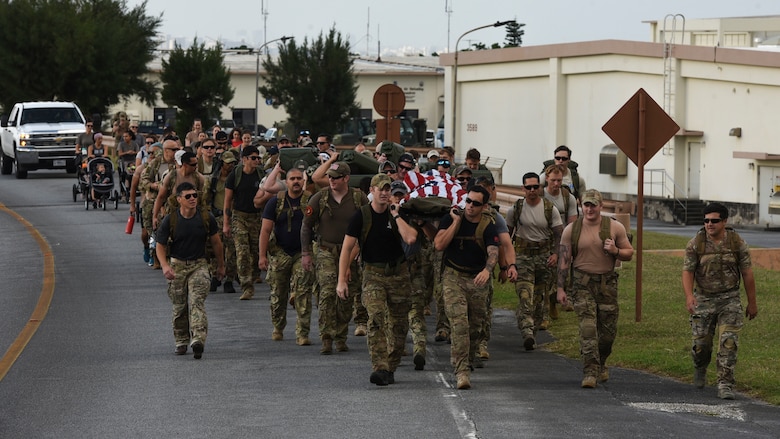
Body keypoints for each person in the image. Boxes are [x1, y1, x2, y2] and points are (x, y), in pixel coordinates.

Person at [337, 173, 417, 385]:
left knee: (399, 325)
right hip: (373, 274)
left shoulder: (397, 214)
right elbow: (347, 248)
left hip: (398, 274)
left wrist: (396, 215)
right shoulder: (361, 216)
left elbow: (410, 238)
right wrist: (341, 279)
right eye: (380, 189)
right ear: (371, 191)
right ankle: (380, 366)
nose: (384, 193)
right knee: (376, 317)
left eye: (387, 189)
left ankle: (391, 366)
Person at [556, 189, 633, 389]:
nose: (589, 209)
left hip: (607, 286)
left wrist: (615, 250)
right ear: (581, 206)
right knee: (588, 328)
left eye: (593, 205)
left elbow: (629, 253)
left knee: (607, 334)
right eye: (586, 205)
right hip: (582, 284)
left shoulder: (615, 227)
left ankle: (601, 362)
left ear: (601, 206)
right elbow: (564, 261)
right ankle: (590, 371)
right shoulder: (571, 230)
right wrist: (560, 288)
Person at [682, 202, 758, 400]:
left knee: (729, 343)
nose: (709, 224)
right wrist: (689, 296)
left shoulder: (736, 243)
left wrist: (752, 302)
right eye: (706, 220)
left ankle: (725, 383)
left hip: (729, 299)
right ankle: (700, 367)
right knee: (701, 346)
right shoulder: (696, 244)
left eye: (714, 221)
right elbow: (688, 272)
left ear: (724, 221)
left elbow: (747, 273)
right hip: (703, 299)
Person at [434, 185, 500, 390]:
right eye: (468, 201)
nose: (470, 206)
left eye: (476, 203)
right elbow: (439, 245)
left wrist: (488, 270)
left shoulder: (488, 225)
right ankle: (461, 371)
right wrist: (455, 223)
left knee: (475, 327)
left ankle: (468, 359)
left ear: (484, 206)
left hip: (477, 279)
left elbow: (493, 251)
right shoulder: (451, 218)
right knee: (459, 324)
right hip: (453, 277)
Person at [301, 162, 368, 354]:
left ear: (346, 178)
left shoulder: (358, 198)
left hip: (350, 253)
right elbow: (306, 226)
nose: (331, 180)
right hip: (326, 251)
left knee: (346, 295)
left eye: (336, 177)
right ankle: (326, 336)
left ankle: (341, 335)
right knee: (328, 292)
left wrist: (361, 251)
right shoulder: (320, 198)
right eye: (329, 177)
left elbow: (367, 226)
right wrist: (306, 253)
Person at [155, 182, 225, 359]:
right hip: (177, 265)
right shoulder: (170, 219)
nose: (193, 198)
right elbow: (160, 245)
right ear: (179, 199)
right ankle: (181, 340)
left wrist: (221, 265)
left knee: (196, 302)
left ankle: (198, 339)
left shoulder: (206, 217)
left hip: (199, 265)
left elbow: (216, 243)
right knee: (179, 306)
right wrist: (165, 266)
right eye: (188, 196)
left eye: (195, 195)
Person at [506, 172, 563, 350]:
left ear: (540, 187)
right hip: (523, 257)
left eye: (535, 187)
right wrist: (508, 263)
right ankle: (527, 332)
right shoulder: (515, 209)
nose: (532, 190)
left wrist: (555, 254)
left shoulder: (550, 209)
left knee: (539, 300)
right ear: (523, 189)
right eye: (528, 187)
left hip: (543, 258)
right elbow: (507, 237)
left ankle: (533, 331)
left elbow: (559, 235)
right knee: (525, 296)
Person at [259, 167, 314, 346]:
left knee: (303, 294)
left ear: (303, 181)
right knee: (278, 294)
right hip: (280, 252)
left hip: (303, 253)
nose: (296, 181)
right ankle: (278, 327)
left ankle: (303, 333)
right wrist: (262, 256)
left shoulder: (311, 201)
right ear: (286, 182)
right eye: (292, 179)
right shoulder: (275, 202)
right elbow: (265, 230)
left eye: (299, 178)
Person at [223, 145, 265, 300]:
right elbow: (227, 200)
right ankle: (246, 286)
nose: (257, 161)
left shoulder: (261, 175)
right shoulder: (235, 175)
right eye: (253, 158)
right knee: (242, 252)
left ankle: (252, 277)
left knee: (256, 252)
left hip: (256, 217)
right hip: (239, 217)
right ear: (245, 159)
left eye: (258, 158)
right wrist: (226, 223)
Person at [543, 164, 578, 319]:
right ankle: (546, 308)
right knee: (545, 275)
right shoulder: (540, 195)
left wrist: (569, 242)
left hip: (562, 238)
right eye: (553, 180)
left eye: (559, 180)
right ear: (547, 179)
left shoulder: (568, 197)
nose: (556, 184)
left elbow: (572, 222)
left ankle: (556, 300)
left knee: (562, 273)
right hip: (543, 239)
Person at [205, 151, 239, 294]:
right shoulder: (213, 180)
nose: (230, 166)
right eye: (227, 163)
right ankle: (215, 275)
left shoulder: (236, 179)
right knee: (215, 249)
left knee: (232, 251)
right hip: (216, 216)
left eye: (232, 163)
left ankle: (229, 279)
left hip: (233, 217)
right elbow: (206, 199)